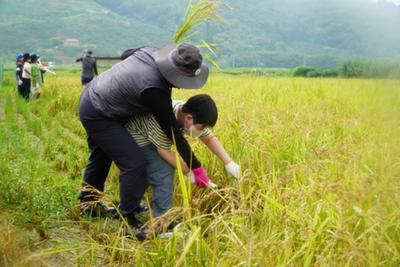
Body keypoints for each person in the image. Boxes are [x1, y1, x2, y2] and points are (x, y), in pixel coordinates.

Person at [77, 42, 211, 241]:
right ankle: (128, 218)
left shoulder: (150, 51)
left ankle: (88, 204)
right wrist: (196, 167)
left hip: (93, 93)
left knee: (101, 156)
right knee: (134, 164)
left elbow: (126, 52)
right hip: (100, 112)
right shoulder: (154, 89)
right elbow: (173, 132)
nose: (182, 84)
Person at [125, 94, 241, 221]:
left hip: (151, 136)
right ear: (189, 118)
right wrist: (189, 172)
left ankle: (132, 205)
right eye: (202, 128)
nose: (202, 131)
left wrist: (229, 162)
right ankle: (162, 223)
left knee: (148, 172)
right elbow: (164, 152)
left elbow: (209, 138)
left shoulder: (188, 113)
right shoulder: (163, 119)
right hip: (137, 136)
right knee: (163, 170)